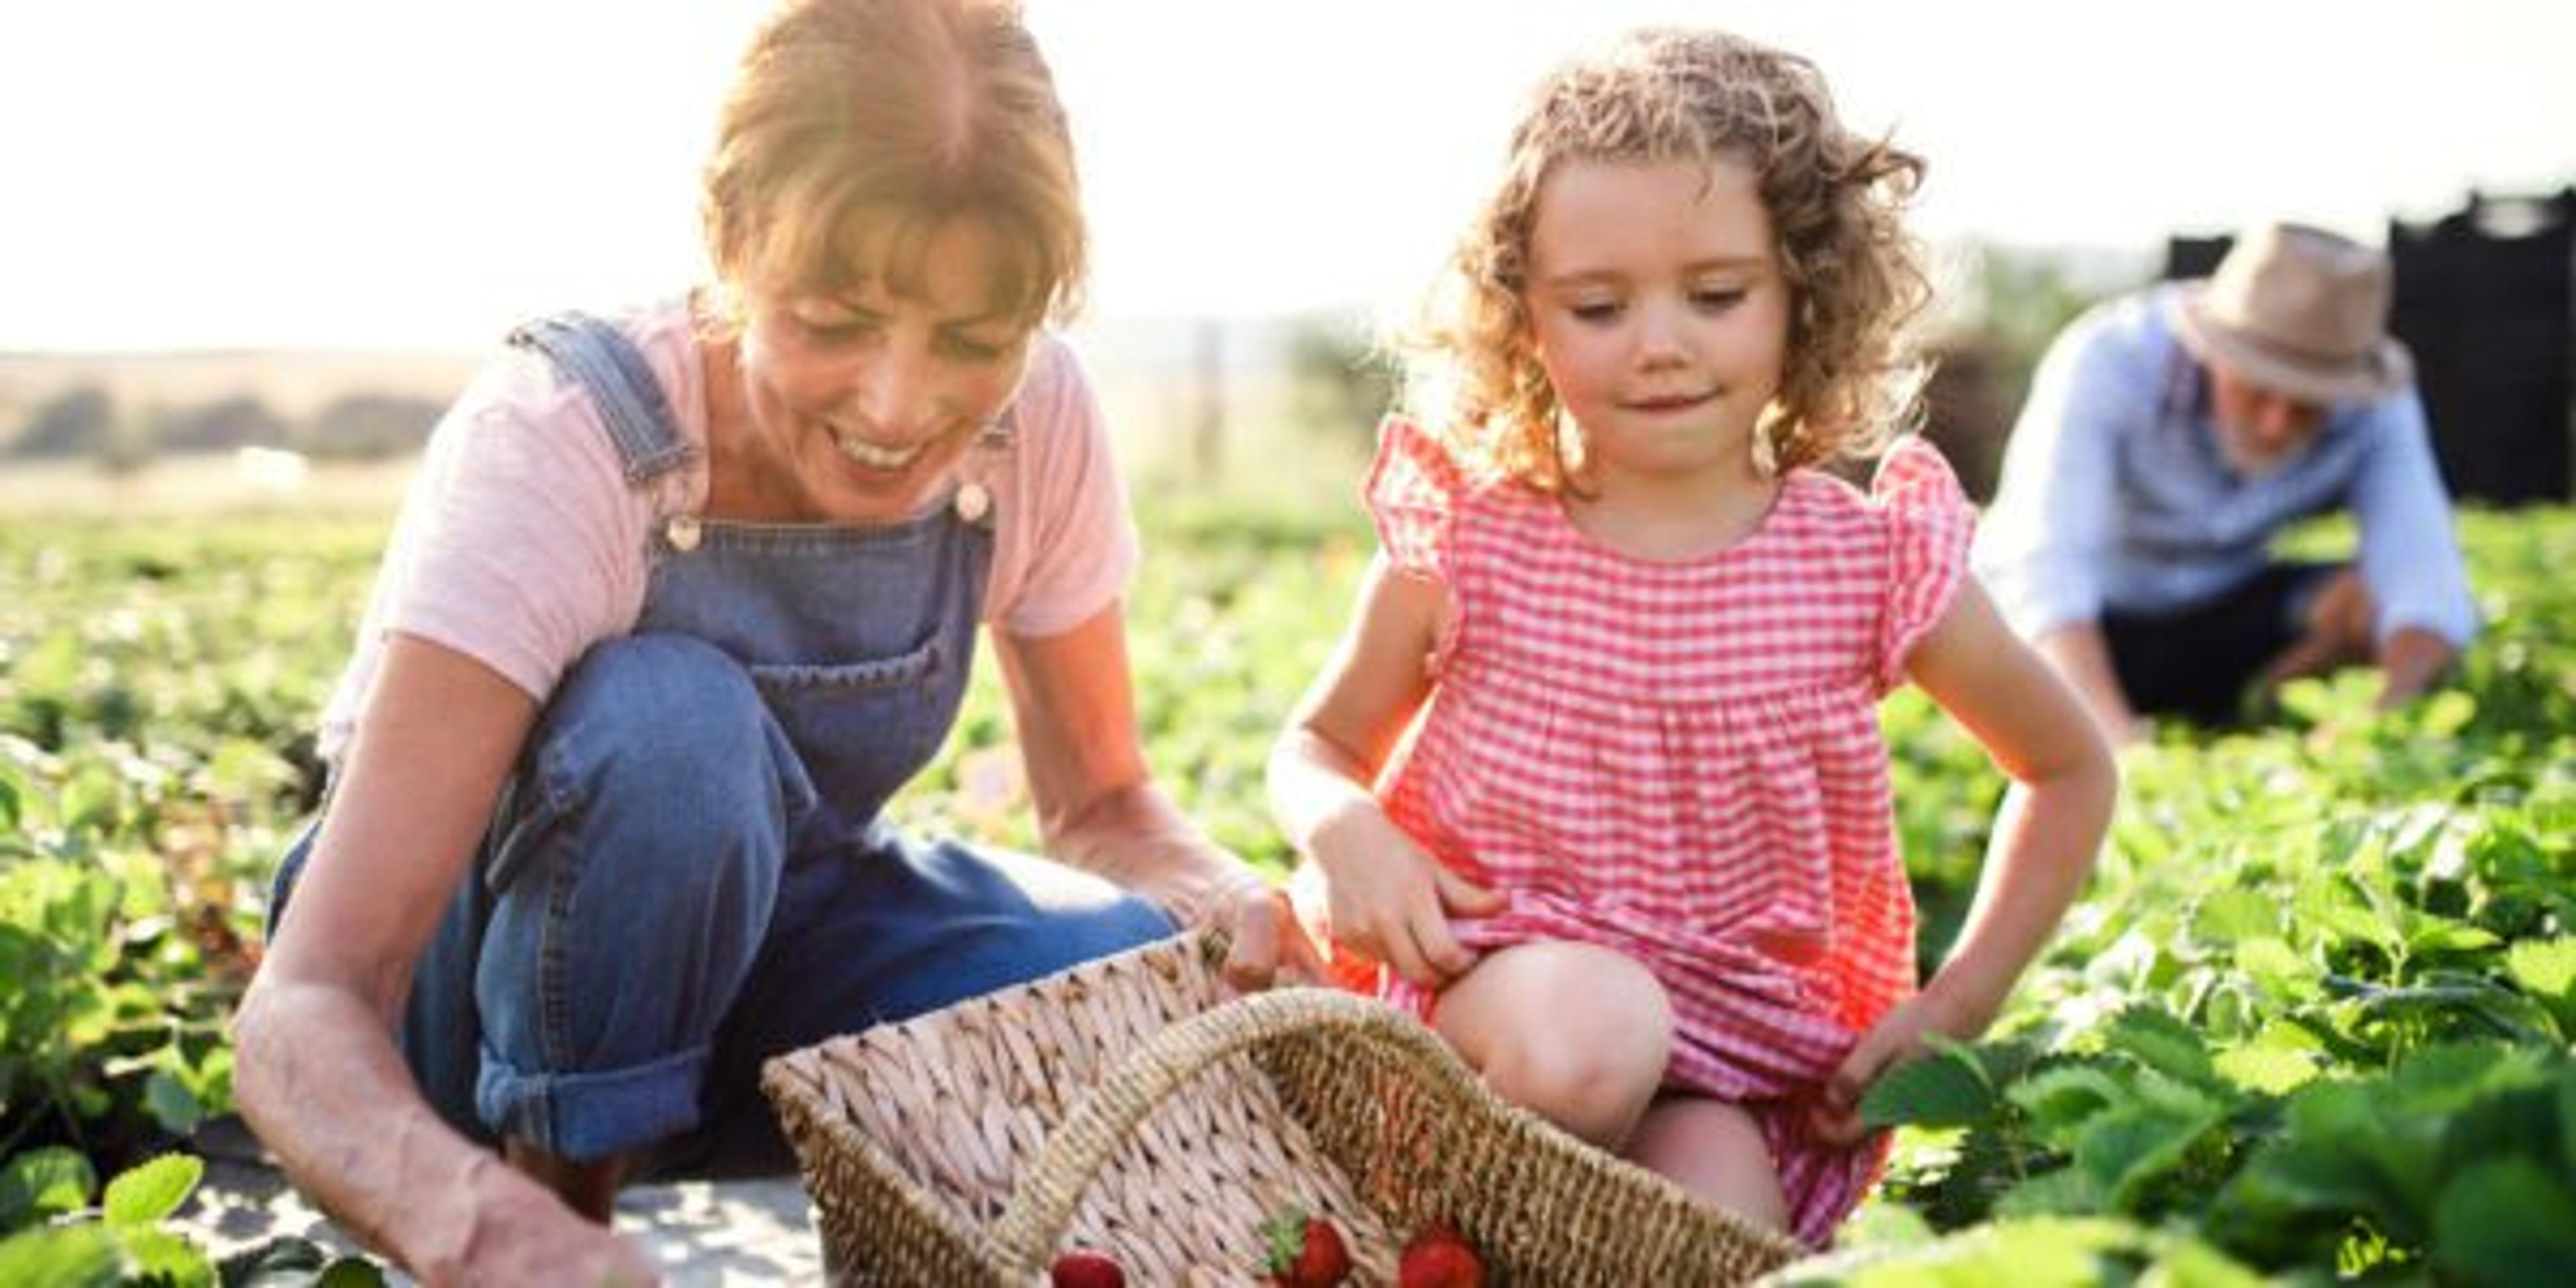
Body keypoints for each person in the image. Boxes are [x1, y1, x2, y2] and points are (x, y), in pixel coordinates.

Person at [229, 1, 1311, 1282]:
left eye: (973, 341)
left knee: (1122, 977)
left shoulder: (1039, 422)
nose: (901, 407)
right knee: (674, 726)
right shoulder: (575, 434)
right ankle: (566, 1217)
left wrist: (1231, 902)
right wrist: (483, 1228)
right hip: (474, 1018)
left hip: (776, 968)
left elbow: (1104, 799)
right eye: (834, 320)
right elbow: (311, 998)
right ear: (732, 244)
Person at [1266, 28, 2116, 1249]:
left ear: (1803, 295)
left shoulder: (1860, 564)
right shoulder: (1476, 541)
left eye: (1716, 295)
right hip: (1485, 1010)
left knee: (1721, 1237)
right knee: (1595, 1030)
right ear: (1524, 321)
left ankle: (1514, 1258)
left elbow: (2068, 767)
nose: (1660, 342)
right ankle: (1407, 1240)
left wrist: (1959, 1003)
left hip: (1724, 1060)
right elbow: (1319, 742)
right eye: (1598, 306)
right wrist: (1343, 829)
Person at [1973, 221, 2481, 738]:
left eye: (2309, 403)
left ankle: (2252, 710)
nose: (2276, 424)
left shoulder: (2373, 399)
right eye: (2258, 387)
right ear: (2211, 347)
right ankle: (2121, 717)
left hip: (2229, 610)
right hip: (2095, 623)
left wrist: (2381, 726)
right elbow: (2043, 570)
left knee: (2361, 602)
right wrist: (2112, 745)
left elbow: (2424, 576)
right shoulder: (2109, 359)